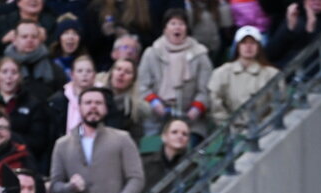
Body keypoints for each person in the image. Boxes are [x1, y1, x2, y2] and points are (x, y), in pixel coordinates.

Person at [49, 87, 144, 193]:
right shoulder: (62, 144)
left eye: (98, 103)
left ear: (106, 108)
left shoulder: (122, 139)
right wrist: (71, 187)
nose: (93, 106)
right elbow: (55, 185)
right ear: (79, 107)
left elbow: (136, 178)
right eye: (88, 102)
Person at [137, 9, 212, 142]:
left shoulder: (200, 54)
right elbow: (142, 86)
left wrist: (196, 108)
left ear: (186, 28)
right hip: (157, 120)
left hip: (190, 120)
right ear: (165, 29)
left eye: (181, 24)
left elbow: (206, 89)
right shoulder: (151, 53)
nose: (177, 27)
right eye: (173, 23)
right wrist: (155, 103)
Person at [208, 26, 280, 129]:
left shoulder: (272, 74)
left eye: (252, 43)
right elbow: (215, 104)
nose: (248, 46)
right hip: (232, 132)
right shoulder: (222, 73)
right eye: (244, 42)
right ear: (237, 46)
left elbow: (277, 104)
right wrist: (228, 127)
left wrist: (265, 126)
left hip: (264, 130)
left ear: (259, 46)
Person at [2, 19, 67, 104]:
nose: (30, 40)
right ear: (14, 40)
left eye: (34, 37)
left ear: (40, 39)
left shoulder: (55, 69)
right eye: (24, 37)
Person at [98, 57, 150, 142]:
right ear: (111, 73)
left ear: (133, 80)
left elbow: (134, 140)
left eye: (127, 72)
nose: (121, 74)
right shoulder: (94, 95)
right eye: (118, 69)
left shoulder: (135, 110)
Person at [47, 54, 97, 138]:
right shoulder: (58, 100)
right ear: (71, 75)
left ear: (94, 75)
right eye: (80, 71)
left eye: (88, 71)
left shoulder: (105, 98)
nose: (84, 74)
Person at [141, 117, 188, 191]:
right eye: (174, 132)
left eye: (184, 134)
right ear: (164, 137)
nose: (180, 136)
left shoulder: (191, 167)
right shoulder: (146, 164)